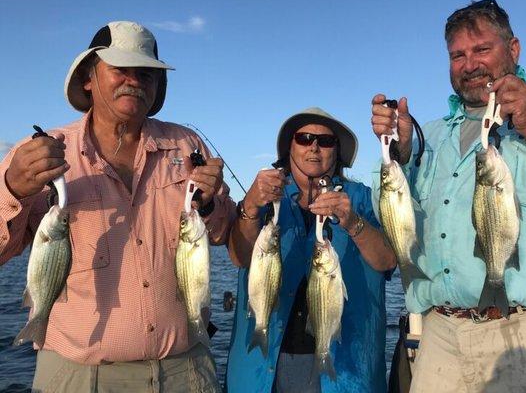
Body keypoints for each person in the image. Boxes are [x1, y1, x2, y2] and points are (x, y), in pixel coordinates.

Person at [0, 21, 236, 392]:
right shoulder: (41, 152)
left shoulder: (186, 144)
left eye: (146, 73)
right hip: (79, 375)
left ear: (157, 87)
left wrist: (209, 206)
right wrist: (12, 187)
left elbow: (224, 232)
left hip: (185, 369)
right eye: (120, 69)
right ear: (88, 79)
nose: (135, 80)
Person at [371, 0, 526, 392]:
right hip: (441, 333)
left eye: (481, 49)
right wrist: (398, 153)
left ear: (514, 49)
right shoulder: (430, 135)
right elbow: (391, 211)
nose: (469, 64)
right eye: (457, 55)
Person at [226, 107, 396, 392]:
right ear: (289, 147)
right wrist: (250, 207)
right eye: (304, 138)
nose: (314, 147)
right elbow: (239, 256)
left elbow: (388, 260)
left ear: (337, 151)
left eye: (325, 141)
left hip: (346, 365)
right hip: (265, 365)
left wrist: (352, 221)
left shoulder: (364, 198)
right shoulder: (263, 200)